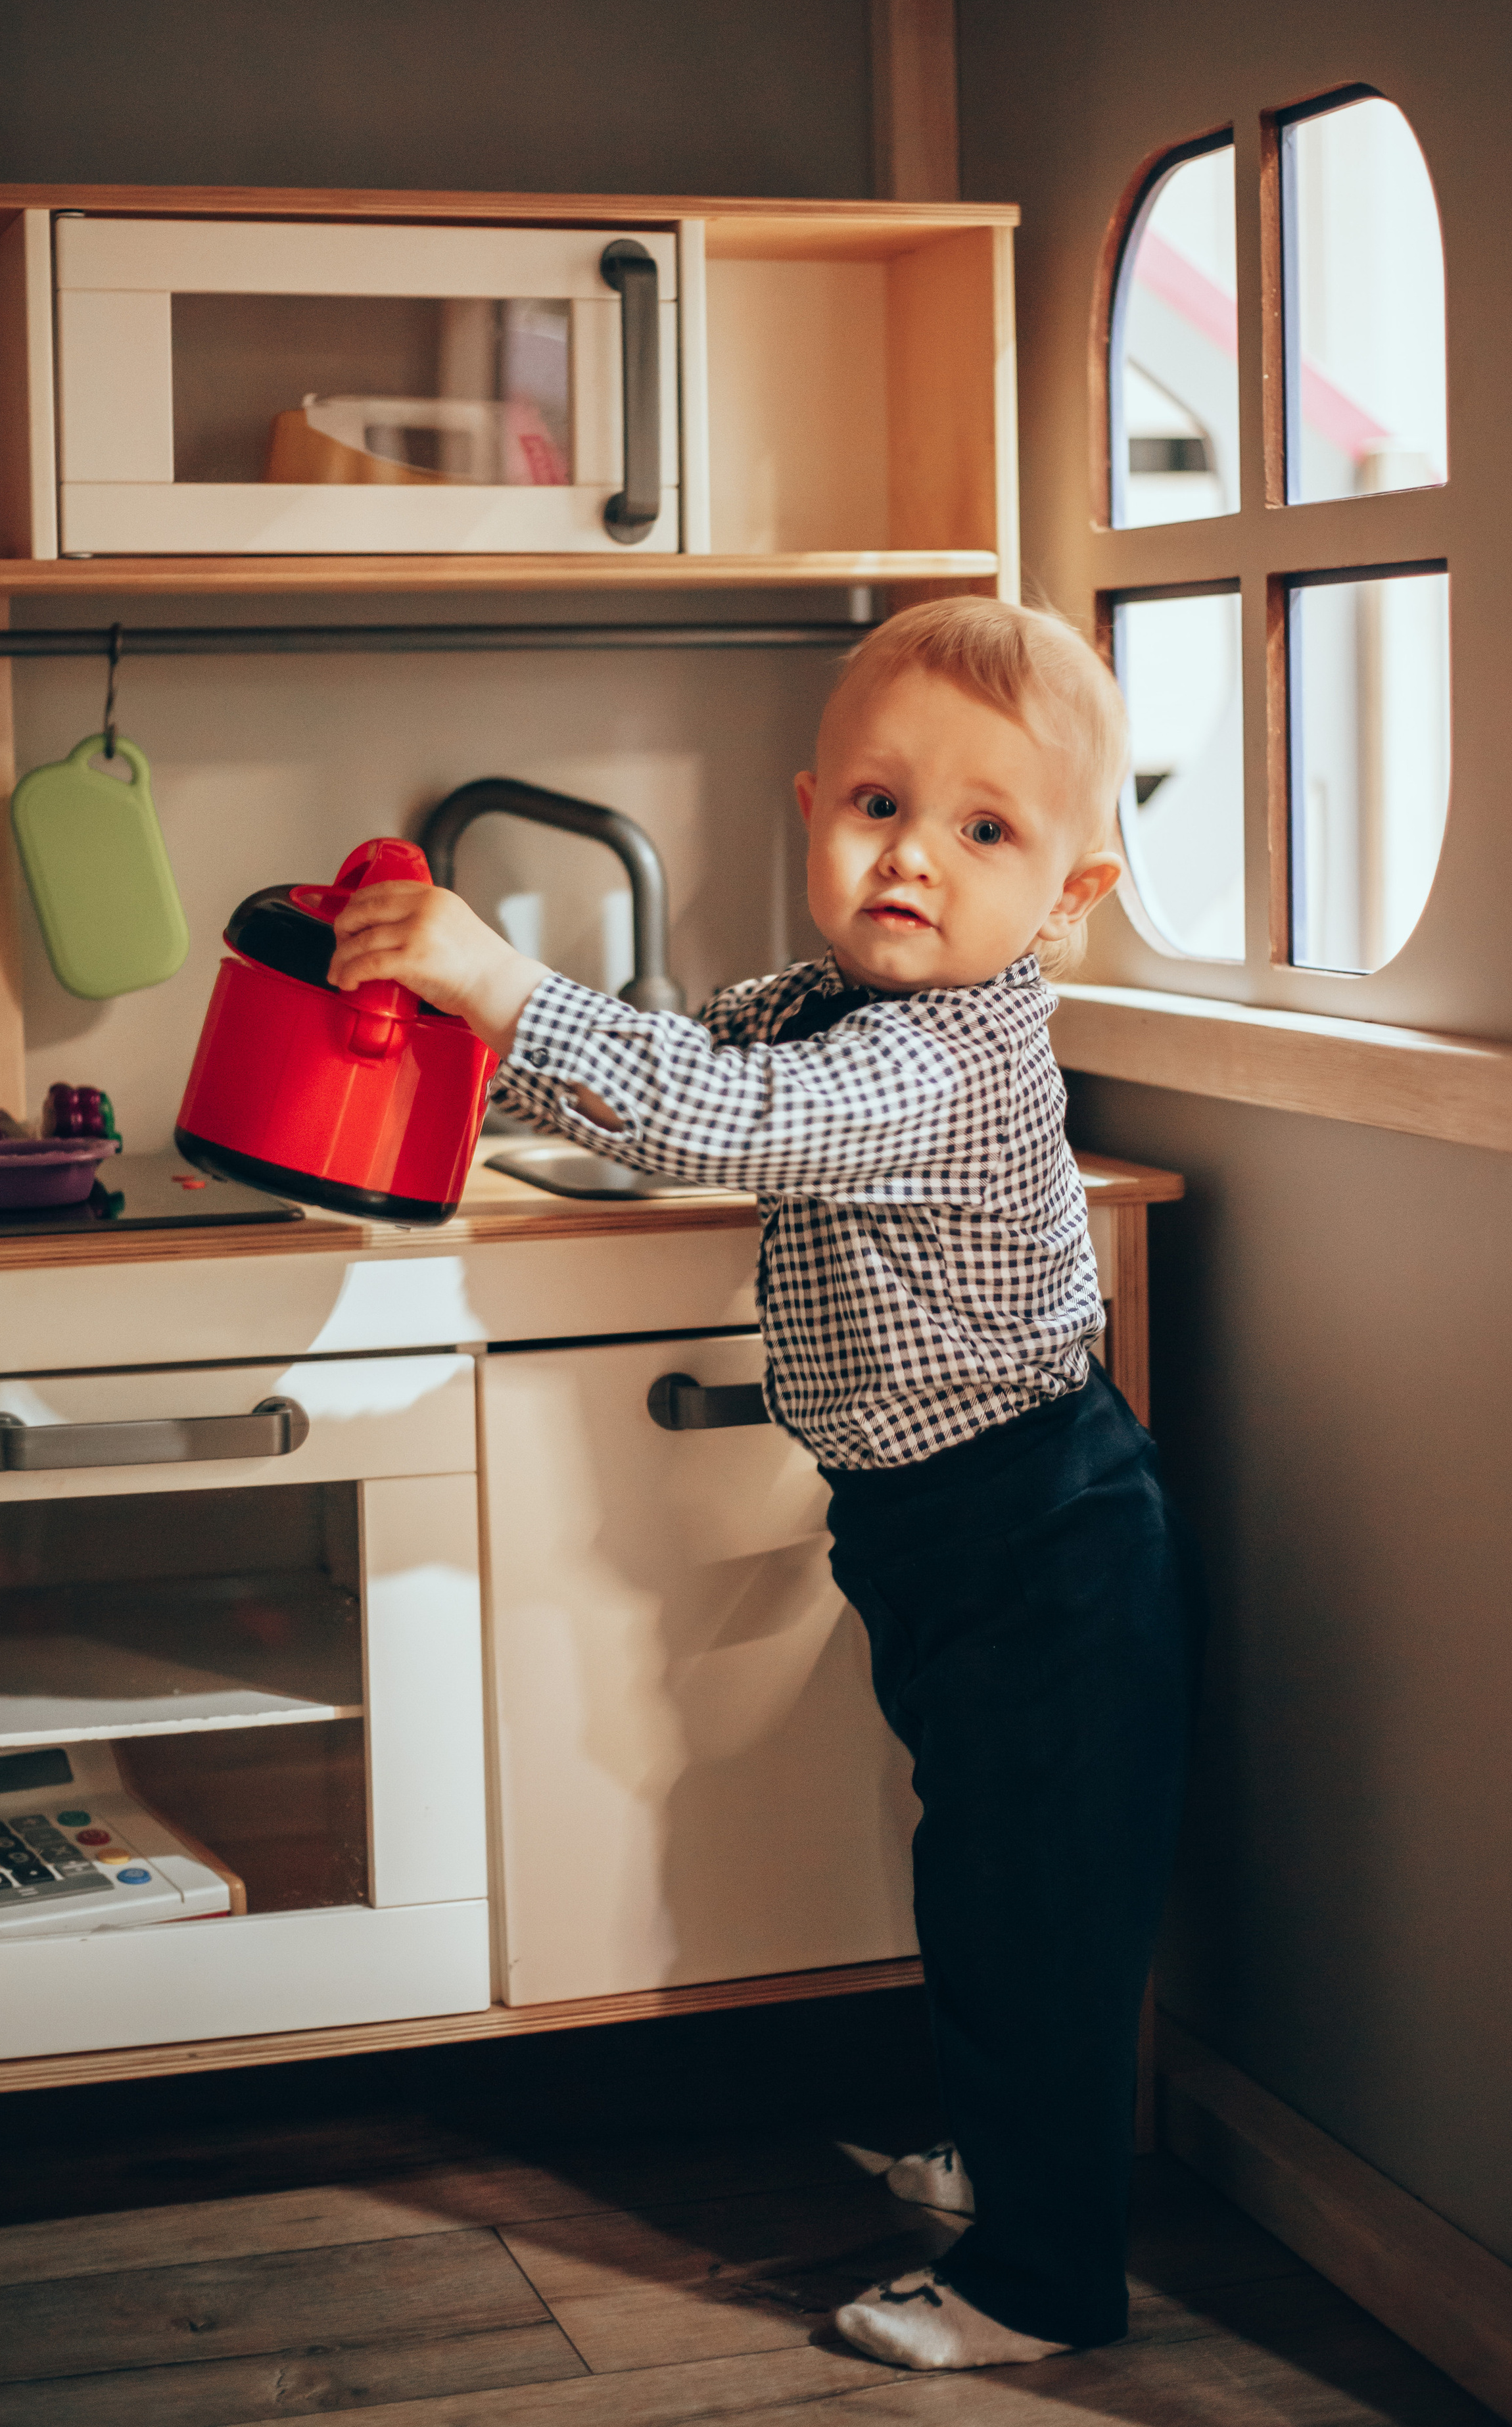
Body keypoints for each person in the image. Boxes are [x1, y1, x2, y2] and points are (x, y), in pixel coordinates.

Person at [328, 596, 1197, 2372]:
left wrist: (503, 984)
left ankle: (1045, 2286)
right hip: (939, 1528)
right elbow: (701, 1062)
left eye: (984, 831)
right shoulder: (826, 1004)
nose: (914, 860)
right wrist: (499, 1071)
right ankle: (997, 2154)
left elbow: (719, 1120)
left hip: (1043, 1536)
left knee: (1036, 1910)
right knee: (977, 1877)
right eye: (879, 806)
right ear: (809, 809)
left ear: (1072, 892)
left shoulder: (944, 1055)